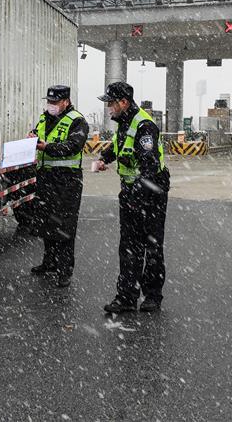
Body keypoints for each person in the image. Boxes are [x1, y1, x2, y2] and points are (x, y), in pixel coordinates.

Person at [93, 82, 170, 313]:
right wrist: (104, 159)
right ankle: (126, 297)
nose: (108, 108)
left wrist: (136, 195)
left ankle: (153, 296)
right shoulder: (124, 122)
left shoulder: (144, 126)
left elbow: (149, 166)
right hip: (131, 192)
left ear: (123, 103)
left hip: (151, 192)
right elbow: (120, 147)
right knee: (128, 247)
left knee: (151, 245)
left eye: (111, 103)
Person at [28, 85, 88, 288]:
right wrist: (32, 137)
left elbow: (73, 146)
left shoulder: (77, 120)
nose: (51, 105)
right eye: (49, 102)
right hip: (46, 178)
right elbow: (38, 134)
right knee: (46, 222)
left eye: (54, 102)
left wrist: (47, 147)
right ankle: (50, 262)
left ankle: (65, 270)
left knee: (64, 226)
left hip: (67, 181)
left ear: (66, 102)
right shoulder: (45, 118)